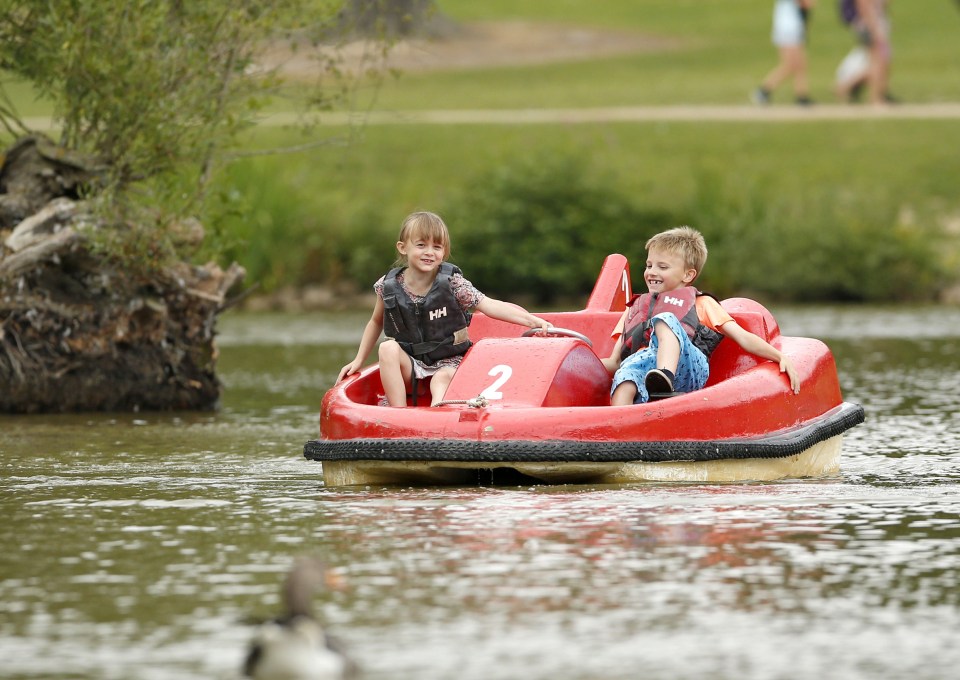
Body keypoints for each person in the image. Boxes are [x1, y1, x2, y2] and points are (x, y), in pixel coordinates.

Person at [337, 211, 552, 407]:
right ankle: (398, 415)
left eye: (437, 247)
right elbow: (376, 321)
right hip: (412, 362)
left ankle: (438, 416)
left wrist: (533, 321)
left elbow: (488, 305)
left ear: (444, 252)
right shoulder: (388, 285)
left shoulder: (453, 283)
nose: (429, 252)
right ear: (403, 248)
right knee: (387, 348)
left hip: (450, 361)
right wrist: (358, 360)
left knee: (441, 378)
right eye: (421, 245)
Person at [601, 226, 800, 406]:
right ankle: (621, 428)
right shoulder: (633, 308)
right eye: (649, 265)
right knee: (624, 377)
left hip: (687, 370)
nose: (651, 272)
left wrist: (779, 356)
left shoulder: (702, 304)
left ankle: (665, 375)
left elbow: (743, 337)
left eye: (662, 267)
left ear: (688, 275)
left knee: (666, 318)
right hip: (643, 370)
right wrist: (575, 364)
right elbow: (615, 361)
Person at [752, 0, 815, 106]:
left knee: (800, 64)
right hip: (789, 27)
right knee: (792, 64)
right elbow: (807, 4)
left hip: (791, 25)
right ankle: (764, 90)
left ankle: (801, 95)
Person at [835, 0, 894, 105]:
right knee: (877, 60)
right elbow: (864, 6)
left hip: (871, 23)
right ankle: (874, 98)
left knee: (880, 60)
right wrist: (874, 28)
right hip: (869, 25)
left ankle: (876, 95)